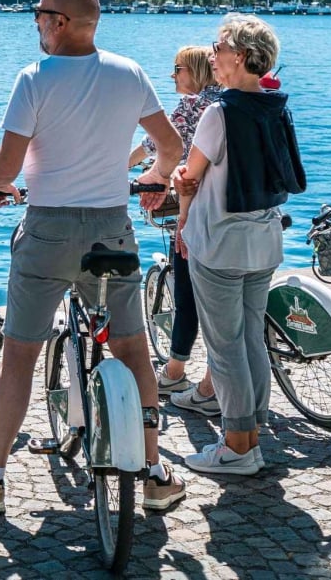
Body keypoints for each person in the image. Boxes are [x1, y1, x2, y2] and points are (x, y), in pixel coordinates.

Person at [0, 0, 188, 515]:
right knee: (134, 350)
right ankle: (156, 471)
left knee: (20, 353)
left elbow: (8, 163)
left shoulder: (34, 79)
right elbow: (172, 145)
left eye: (40, 15)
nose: (37, 24)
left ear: (60, 22)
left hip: (47, 228)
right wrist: (155, 180)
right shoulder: (129, 72)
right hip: (112, 227)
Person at [173, 14, 304, 477]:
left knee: (224, 345)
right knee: (251, 339)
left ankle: (236, 445)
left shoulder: (219, 112)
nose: (213, 53)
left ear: (241, 57)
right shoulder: (276, 105)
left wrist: (179, 196)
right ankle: (251, 434)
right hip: (263, 239)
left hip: (220, 241)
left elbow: (190, 176)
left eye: (220, 46)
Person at [129, 45, 222, 409]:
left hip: (198, 211)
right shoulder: (229, 100)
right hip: (238, 212)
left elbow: (153, 145)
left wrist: (117, 169)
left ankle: (174, 371)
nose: (172, 75)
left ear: (196, 71)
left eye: (178, 68)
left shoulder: (194, 106)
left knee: (186, 296)